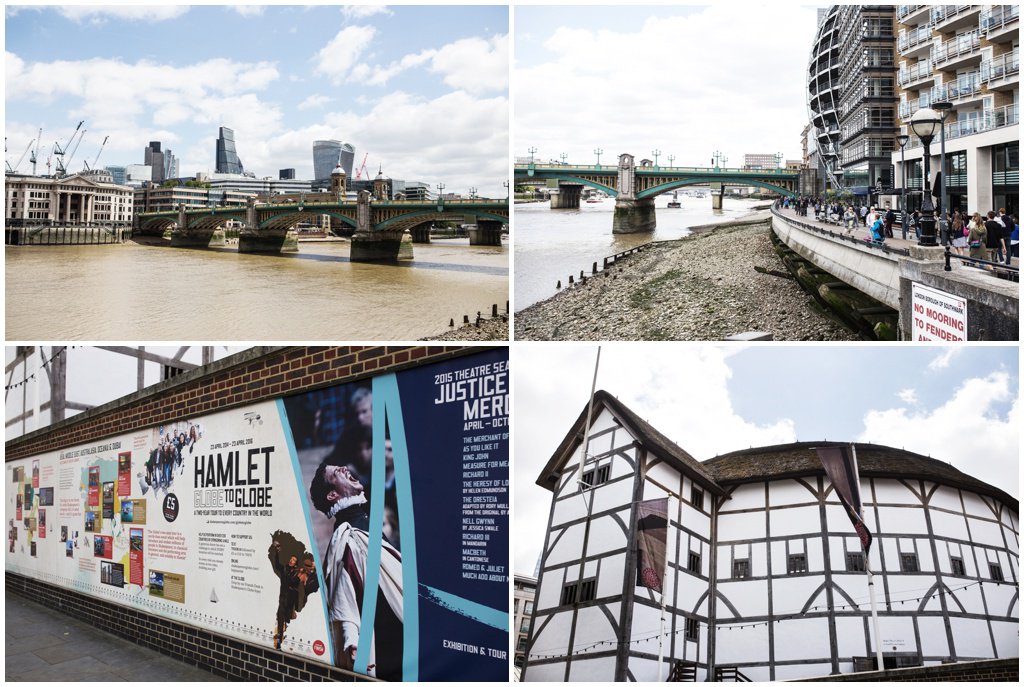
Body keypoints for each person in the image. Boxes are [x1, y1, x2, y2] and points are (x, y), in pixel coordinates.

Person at [310, 460, 403, 679]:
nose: (344, 469)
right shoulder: (346, 534)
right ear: (333, 495)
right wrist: (350, 638)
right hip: (388, 643)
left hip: (397, 633)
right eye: (335, 474)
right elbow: (343, 592)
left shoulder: (362, 521)